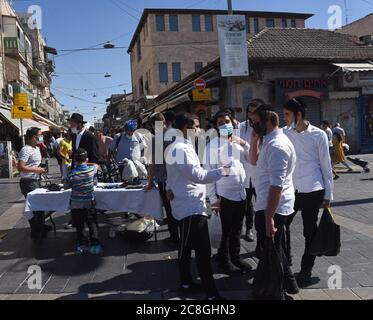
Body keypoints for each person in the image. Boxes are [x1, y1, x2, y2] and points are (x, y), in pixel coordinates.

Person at [165, 113, 228, 301]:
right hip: (190, 207)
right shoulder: (181, 149)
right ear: (185, 128)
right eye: (196, 126)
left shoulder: (179, 147)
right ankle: (211, 294)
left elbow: (172, 175)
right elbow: (197, 175)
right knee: (202, 252)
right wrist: (223, 171)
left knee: (185, 249)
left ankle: (186, 283)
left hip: (187, 205)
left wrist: (169, 188)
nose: (199, 130)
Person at [249, 105, 299, 299]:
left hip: (273, 207)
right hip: (267, 203)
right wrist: (254, 139)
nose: (253, 126)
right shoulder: (268, 141)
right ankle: (289, 284)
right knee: (274, 249)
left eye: (256, 123)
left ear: (268, 121)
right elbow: (253, 161)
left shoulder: (277, 146)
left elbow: (276, 186)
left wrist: (269, 217)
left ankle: (277, 293)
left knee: (272, 252)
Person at [282, 98, 333, 287]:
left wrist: (328, 195)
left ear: (298, 115)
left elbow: (326, 166)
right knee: (281, 224)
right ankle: (285, 261)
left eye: (287, 114)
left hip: (313, 189)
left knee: (309, 231)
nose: (284, 118)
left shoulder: (318, 135)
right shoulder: (284, 133)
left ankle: (306, 268)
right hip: (291, 190)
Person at [204, 110, 252, 274]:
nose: (224, 125)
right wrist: (213, 199)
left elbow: (253, 158)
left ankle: (236, 256)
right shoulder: (212, 146)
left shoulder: (238, 142)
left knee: (238, 228)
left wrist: (244, 143)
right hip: (223, 195)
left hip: (241, 193)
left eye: (226, 121)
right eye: (220, 123)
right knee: (224, 230)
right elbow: (209, 174)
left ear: (233, 122)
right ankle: (224, 260)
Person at [145, 112, 179, 244]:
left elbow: (154, 163)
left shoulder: (157, 139)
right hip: (178, 178)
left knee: (170, 210)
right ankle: (181, 236)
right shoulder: (177, 134)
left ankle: (174, 238)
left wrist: (150, 182)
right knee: (178, 207)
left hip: (164, 179)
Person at [17, 127, 51, 239]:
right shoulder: (26, 149)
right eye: (40, 135)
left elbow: (35, 163)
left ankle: (41, 225)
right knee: (34, 206)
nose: (42, 137)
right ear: (33, 137)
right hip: (28, 182)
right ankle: (35, 229)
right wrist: (36, 170)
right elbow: (20, 167)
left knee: (40, 204)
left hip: (36, 180)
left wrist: (40, 168)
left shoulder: (37, 148)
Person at [239, 99, 264, 242]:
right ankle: (249, 228)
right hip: (245, 172)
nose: (252, 115)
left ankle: (262, 230)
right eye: (249, 112)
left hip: (260, 174)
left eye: (255, 112)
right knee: (246, 204)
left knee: (262, 203)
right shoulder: (241, 127)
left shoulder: (265, 128)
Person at [67, 148, 102, 255]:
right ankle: (95, 244)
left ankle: (82, 243)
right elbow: (96, 165)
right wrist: (87, 161)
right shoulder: (91, 170)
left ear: (75, 161)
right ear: (86, 159)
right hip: (89, 202)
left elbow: (67, 185)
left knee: (79, 224)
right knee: (92, 223)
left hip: (76, 203)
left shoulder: (71, 173)